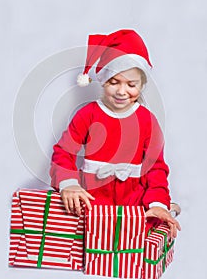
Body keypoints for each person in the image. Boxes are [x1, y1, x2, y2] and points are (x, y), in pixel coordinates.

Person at [50, 29, 181, 238]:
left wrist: (158, 203)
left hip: (133, 204)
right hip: (92, 202)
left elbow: (156, 168)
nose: (121, 92)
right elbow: (63, 152)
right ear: (103, 81)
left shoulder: (148, 121)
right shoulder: (87, 114)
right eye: (114, 82)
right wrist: (69, 184)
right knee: (89, 242)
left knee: (131, 244)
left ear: (142, 85)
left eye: (131, 85)